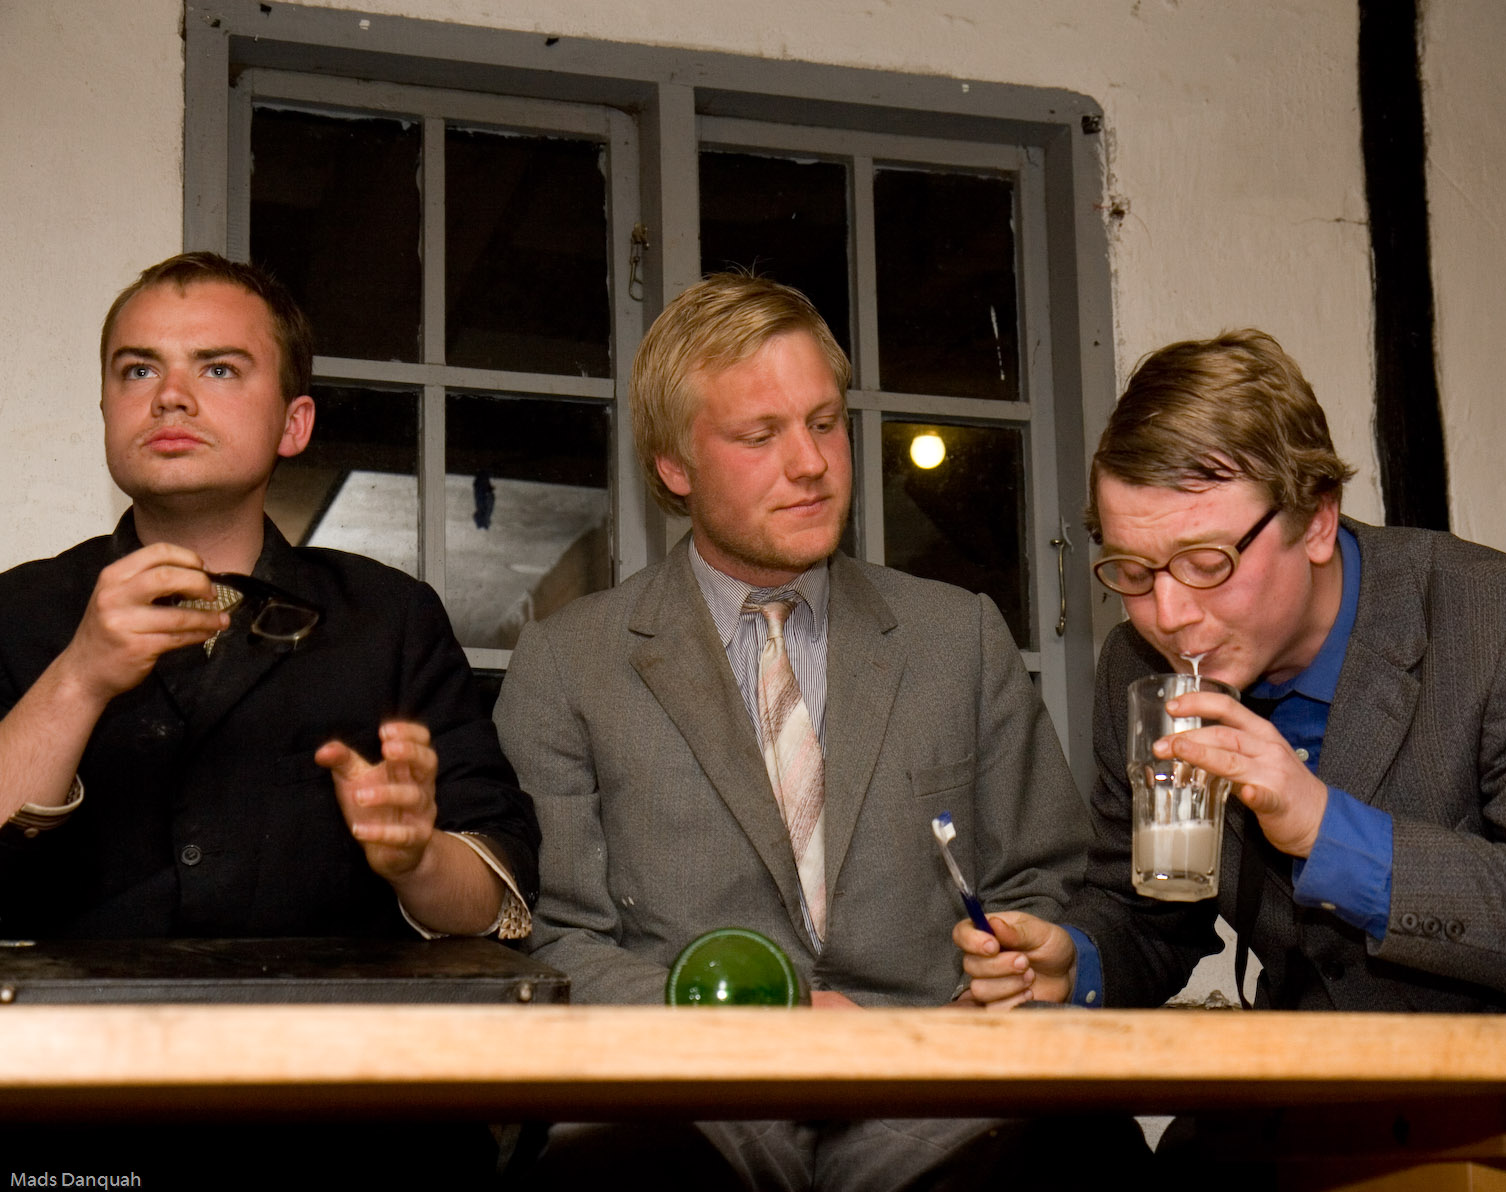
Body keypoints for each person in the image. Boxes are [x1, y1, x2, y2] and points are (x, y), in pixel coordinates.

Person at [494, 274, 1111, 1189]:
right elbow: (553, 939)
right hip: (691, 1102)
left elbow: (1046, 879)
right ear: (674, 467)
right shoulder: (567, 662)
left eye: (825, 423)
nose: (811, 462)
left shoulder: (960, 636)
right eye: (760, 436)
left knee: (1090, 1151)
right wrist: (758, 1016)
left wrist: (1008, 969)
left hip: (936, 1095)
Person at [0, 252, 541, 1178]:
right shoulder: (17, 612)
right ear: (107, 411)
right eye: (138, 369)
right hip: (70, 1116)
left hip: (352, 1123)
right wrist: (80, 677)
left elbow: (496, 902)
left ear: (294, 424)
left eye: (218, 368)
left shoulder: (391, 618)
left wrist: (416, 856)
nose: (170, 397)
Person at [955, 328, 1506, 1015]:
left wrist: (1326, 830)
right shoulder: (1135, 669)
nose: (1168, 616)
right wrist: (1075, 963)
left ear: (1316, 520)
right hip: (1293, 1075)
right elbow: (1150, 914)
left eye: (1207, 563)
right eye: (1134, 572)